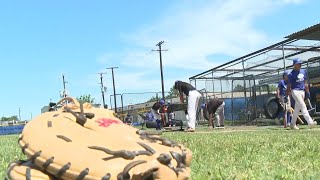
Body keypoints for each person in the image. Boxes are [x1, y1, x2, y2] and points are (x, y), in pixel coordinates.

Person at [287, 58, 317, 129]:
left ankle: (292, 124)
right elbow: (289, 86)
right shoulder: (291, 74)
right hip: (295, 91)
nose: (300, 64)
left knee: (297, 109)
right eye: (298, 63)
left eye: (300, 63)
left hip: (302, 92)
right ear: (294, 65)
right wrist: (287, 95)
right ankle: (310, 122)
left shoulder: (303, 71)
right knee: (303, 106)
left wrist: (308, 92)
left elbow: (305, 83)